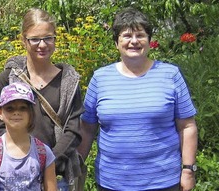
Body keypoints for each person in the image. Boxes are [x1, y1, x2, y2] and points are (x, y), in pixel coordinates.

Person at [78, 7, 198, 191]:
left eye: (140, 35)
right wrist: (76, 166)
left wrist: (188, 170)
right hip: (112, 182)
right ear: (116, 42)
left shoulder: (170, 75)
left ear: (149, 41)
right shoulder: (100, 78)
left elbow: (187, 126)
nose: (134, 41)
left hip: (163, 182)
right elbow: (87, 129)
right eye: (126, 35)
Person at [0, 8, 85, 190]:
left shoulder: (69, 82)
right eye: (35, 39)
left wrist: (47, 163)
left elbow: (73, 131)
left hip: (57, 177)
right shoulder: (7, 78)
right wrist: (23, 161)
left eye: (48, 38)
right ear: (23, 40)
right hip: (16, 175)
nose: (42, 45)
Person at [0, 82, 57, 191]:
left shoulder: (43, 152)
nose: (16, 113)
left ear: (31, 112)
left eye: (23, 108)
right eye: (10, 108)